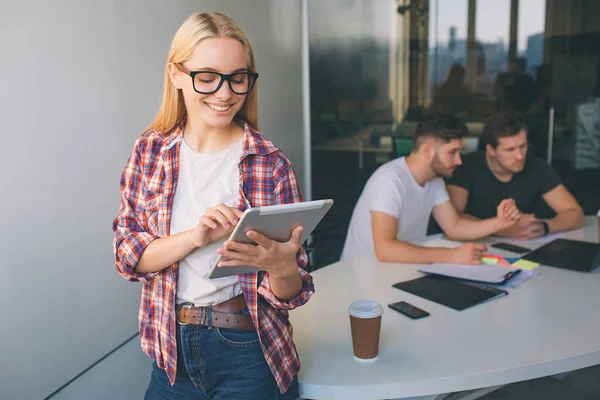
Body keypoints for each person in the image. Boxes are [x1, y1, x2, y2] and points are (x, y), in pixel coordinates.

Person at [112, 12, 311, 399]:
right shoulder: (150, 151)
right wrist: (196, 236)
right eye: (207, 77)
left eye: (238, 78)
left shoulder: (270, 163)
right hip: (170, 355)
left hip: (249, 355)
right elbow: (127, 255)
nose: (225, 94)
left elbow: (293, 291)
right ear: (176, 75)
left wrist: (281, 265)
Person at [341, 113, 521, 265]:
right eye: (452, 152)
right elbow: (385, 249)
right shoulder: (389, 180)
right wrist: (452, 256)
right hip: (362, 276)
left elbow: (454, 227)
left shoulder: (434, 181)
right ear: (427, 151)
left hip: (395, 270)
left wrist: (499, 222)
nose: (459, 160)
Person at [447, 110, 584, 241]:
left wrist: (544, 227)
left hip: (521, 248)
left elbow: (575, 213)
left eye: (523, 146)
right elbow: (454, 216)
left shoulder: (537, 167)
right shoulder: (465, 166)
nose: (519, 156)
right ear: (491, 150)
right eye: (510, 150)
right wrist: (503, 229)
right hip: (474, 246)